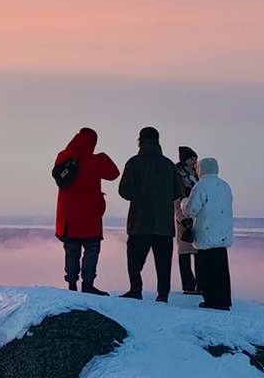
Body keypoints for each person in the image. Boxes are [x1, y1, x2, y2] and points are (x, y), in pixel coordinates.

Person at [52, 127, 118, 294]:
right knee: (91, 248)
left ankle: (71, 284)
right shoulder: (95, 160)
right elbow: (114, 173)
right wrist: (102, 156)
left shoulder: (62, 157)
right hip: (89, 216)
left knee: (71, 248)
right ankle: (87, 284)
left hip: (68, 218)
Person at [117, 125, 179, 301]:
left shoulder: (134, 163)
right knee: (163, 262)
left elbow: (124, 191)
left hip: (139, 222)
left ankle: (136, 289)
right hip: (164, 224)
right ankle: (163, 295)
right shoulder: (168, 165)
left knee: (135, 260)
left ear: (140, 141)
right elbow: (178, 191)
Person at [182, 156, 234, 310]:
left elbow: (191, 210)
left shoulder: (201, 186)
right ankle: (224, 300)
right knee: (221, 269)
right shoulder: (225, 185)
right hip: (223, 233)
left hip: (206, 232)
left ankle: (211, 299)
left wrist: (183, 201)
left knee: (206, 268)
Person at [174, 145, 202, 296]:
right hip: (183, 216)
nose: (194, 162)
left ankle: (199, 283)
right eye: (192, 159)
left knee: (197, 250)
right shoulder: (178, 175)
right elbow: (176, 199)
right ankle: (188, 285)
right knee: (185, 251)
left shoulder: (198, 174)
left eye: (195, 159)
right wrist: (182, 218)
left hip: (197, 215)